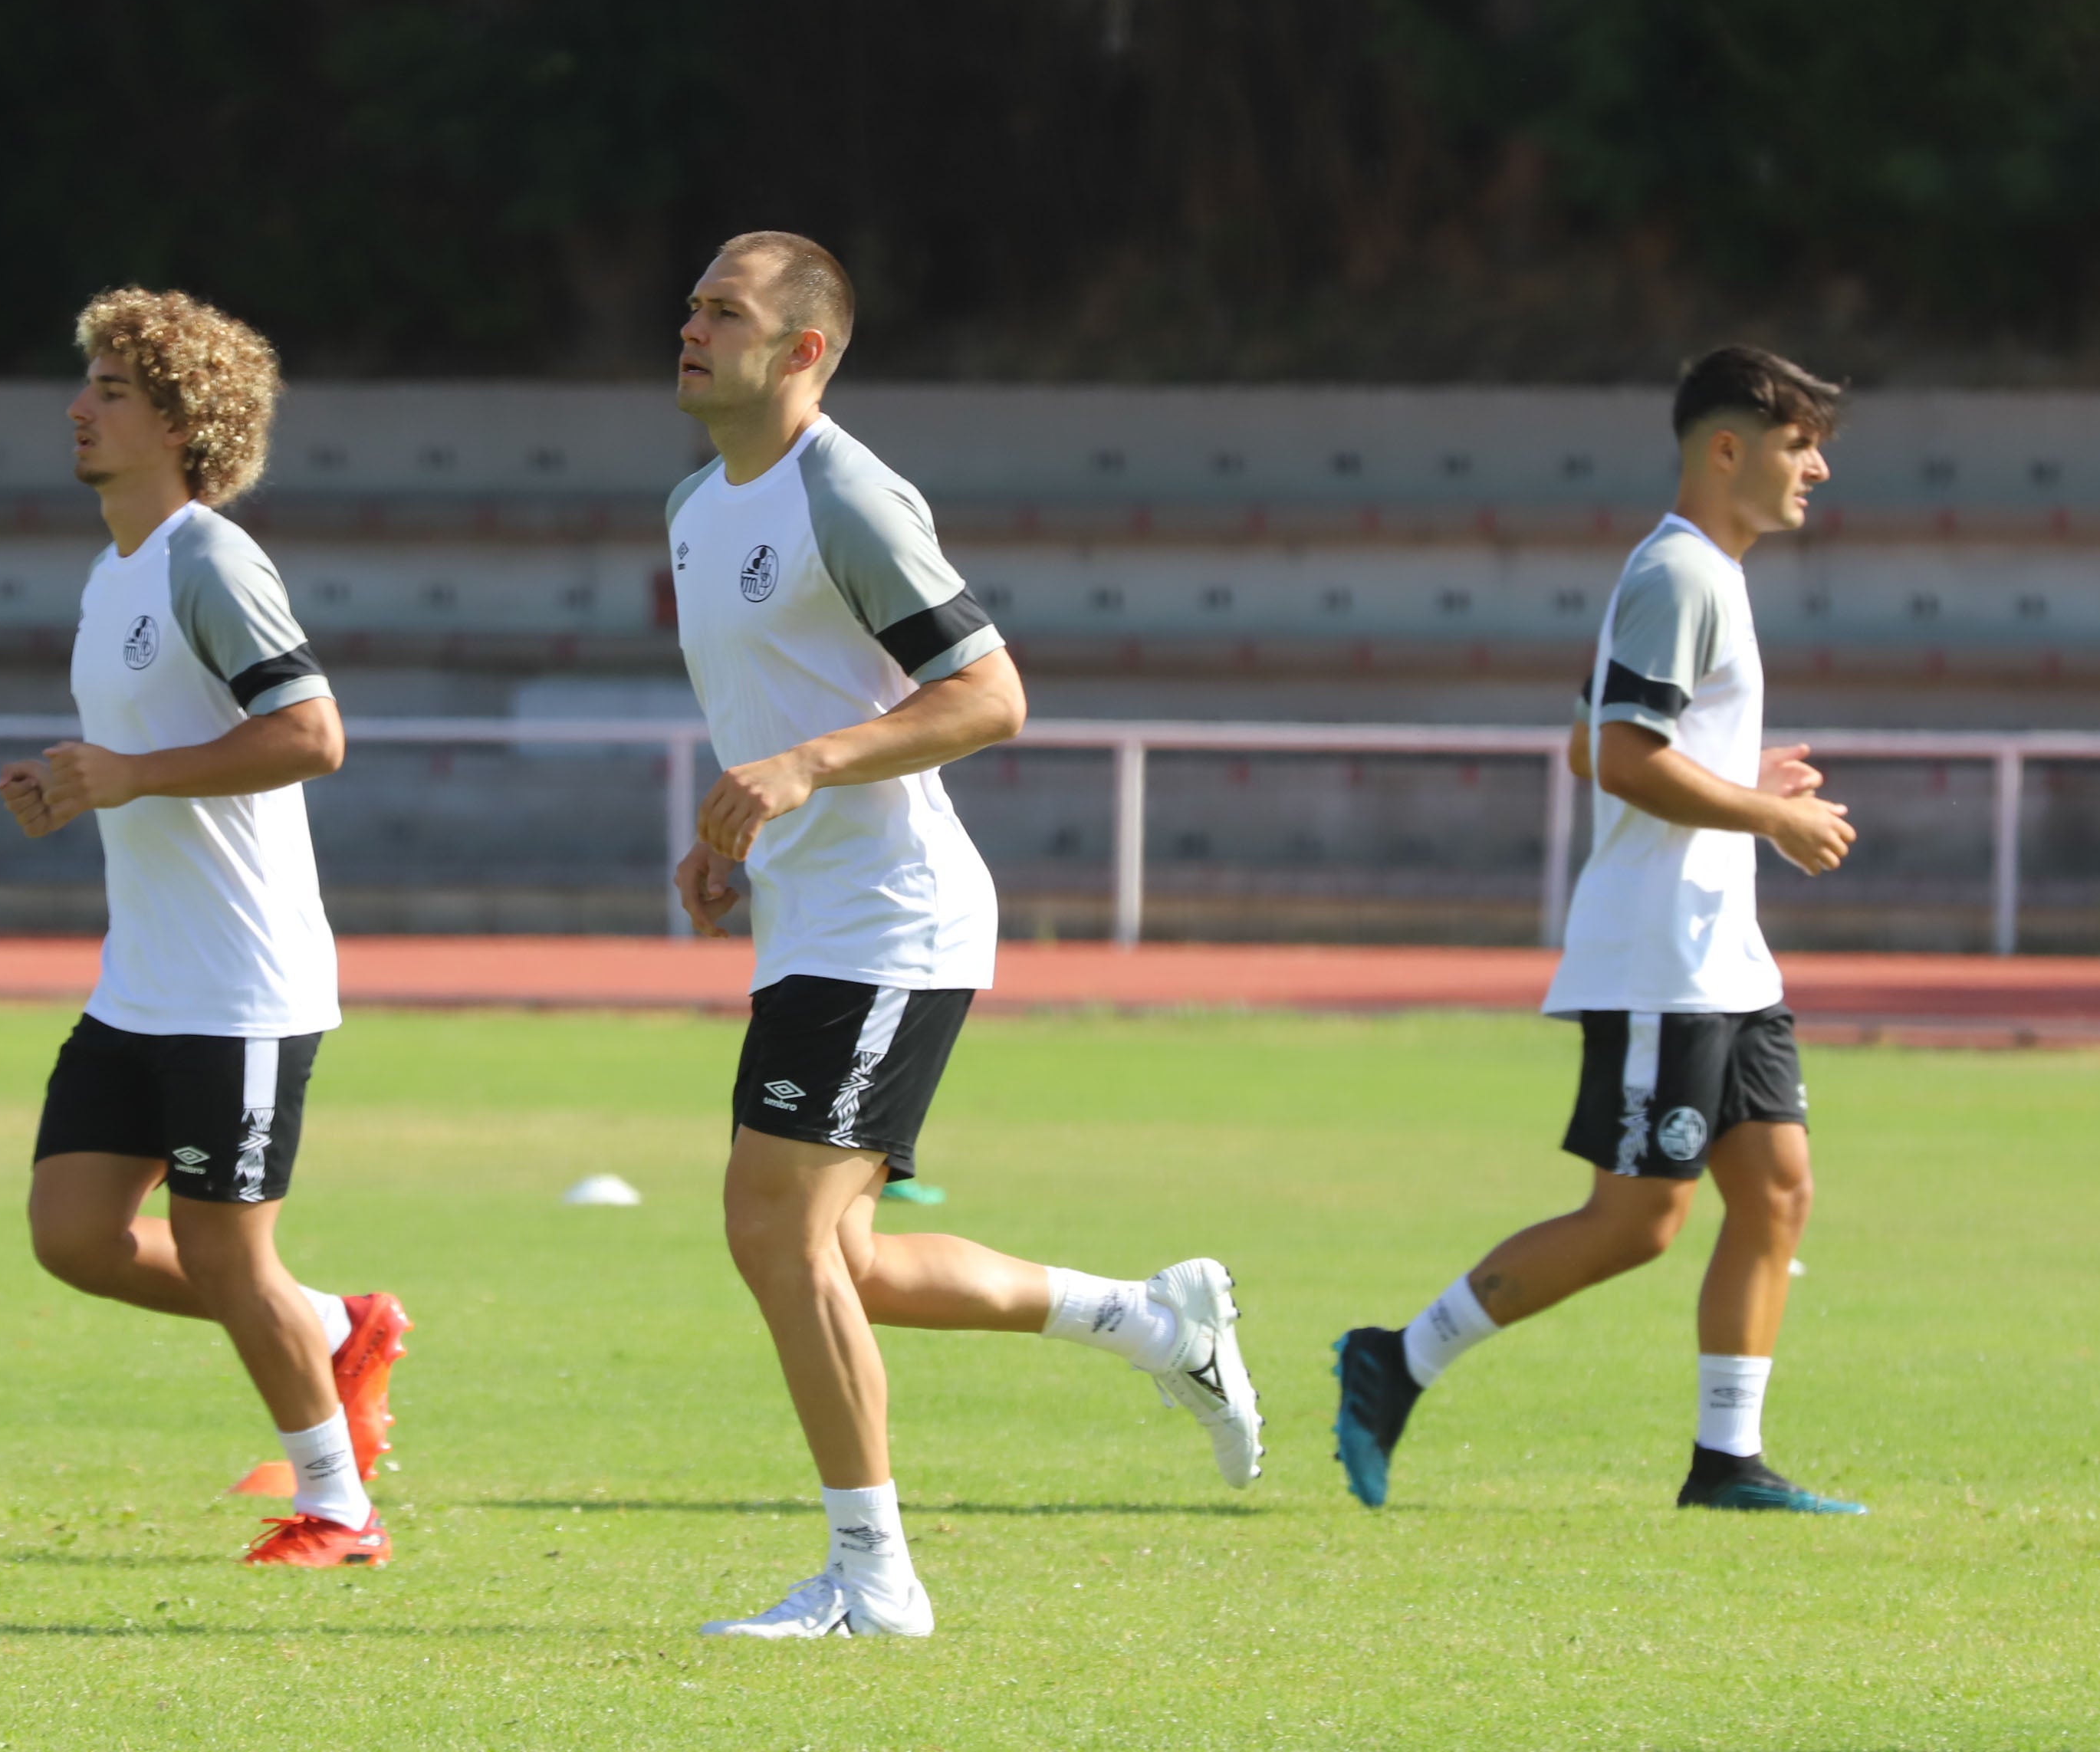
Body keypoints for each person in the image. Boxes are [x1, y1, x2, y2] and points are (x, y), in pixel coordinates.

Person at [669, 232, 1265, 1642]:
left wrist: (806, 772)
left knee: (775, 1231)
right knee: (839, 1257)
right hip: (813, 911)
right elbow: (779, 707)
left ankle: (876, 1583)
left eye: (726, 312)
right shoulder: (698, 504)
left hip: (892, 917)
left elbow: (991, 696)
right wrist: (728, 839)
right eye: (691, 306)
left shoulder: (848, 494)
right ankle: (1151, 1323)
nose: (689, 328)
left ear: (804, 350)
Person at [1333, 345, 1867, 1517]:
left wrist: (1739, 774)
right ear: (1728, 448)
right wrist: (1771, 811)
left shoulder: (1705, 573)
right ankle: (1395, 1361)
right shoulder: (1680, 574)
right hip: (1661, 958)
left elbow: (1593, 742)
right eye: (1798, 444)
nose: (1818, 468)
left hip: (1726, 955)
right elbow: (1622, 760)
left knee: (1777, 1192)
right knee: (1636, 1222)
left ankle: (1728, 1463)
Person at [0, 288, 409, 1569]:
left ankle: (340, 1509)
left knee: (232, 1257)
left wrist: (126, 775)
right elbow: (153, 754)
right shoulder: (116, 570)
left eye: (112, 391)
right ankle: (336, 1327)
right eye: (90, 385)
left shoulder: (207, 558)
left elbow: (312, 736)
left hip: (240, 983)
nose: (79, 408)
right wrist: (74, 785)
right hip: (144, 983)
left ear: (183, 422)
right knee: (73, 1237)